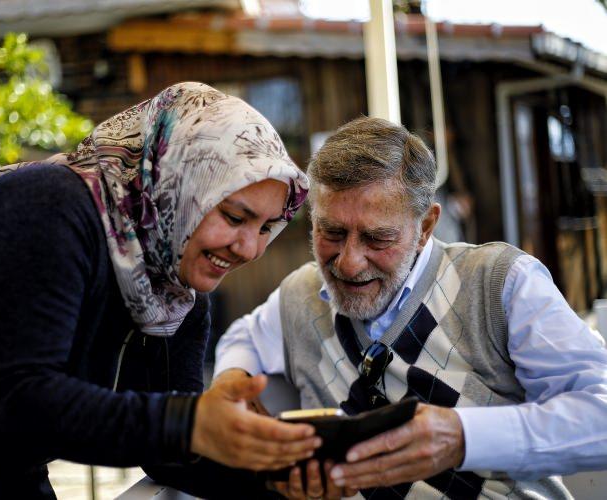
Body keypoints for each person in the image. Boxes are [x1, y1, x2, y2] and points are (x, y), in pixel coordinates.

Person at [0, 82, 320, 498]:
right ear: (177, 183)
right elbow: (23, 397)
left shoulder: (173, 299)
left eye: (266, 227)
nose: (249, 249)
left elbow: (171, 455)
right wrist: (189, 423)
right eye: (235, 217)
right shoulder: (47, 210)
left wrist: (280, 473)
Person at [214, 116, 607, 499]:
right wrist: (232, 381)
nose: (349, 262)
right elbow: (244, 336)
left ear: (425, 227)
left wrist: (462, 437)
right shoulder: (299, 295)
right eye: (331, 232)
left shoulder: (500, 283)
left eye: (378, 238)